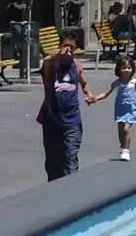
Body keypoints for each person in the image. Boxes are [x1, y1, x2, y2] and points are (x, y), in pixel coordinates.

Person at [36, 35, 96, 181]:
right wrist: (59, 55)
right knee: (53, 163)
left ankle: (71, 191)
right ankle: (53, 192)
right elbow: (46, 62)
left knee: (71, 158)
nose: (69, 50)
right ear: (60, 46)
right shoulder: (51, 64)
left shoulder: (76, 65)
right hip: (52, 121)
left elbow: (83, 81)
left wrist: (88, 92)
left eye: (72, 47)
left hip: (72, 122)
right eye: (65, 46)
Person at [91, 57, 136, 161]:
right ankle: (123, 145)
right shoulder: (117, 82)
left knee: (127, 129)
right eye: (123, 68)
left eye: (129, 68)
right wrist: (95, 98)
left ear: (133, 69)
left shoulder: (134, 82)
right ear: (119, 70)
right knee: (121, 132)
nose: (126, 70)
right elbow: (105, 94)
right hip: (120, 109)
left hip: (131, 109)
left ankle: (126, 151)